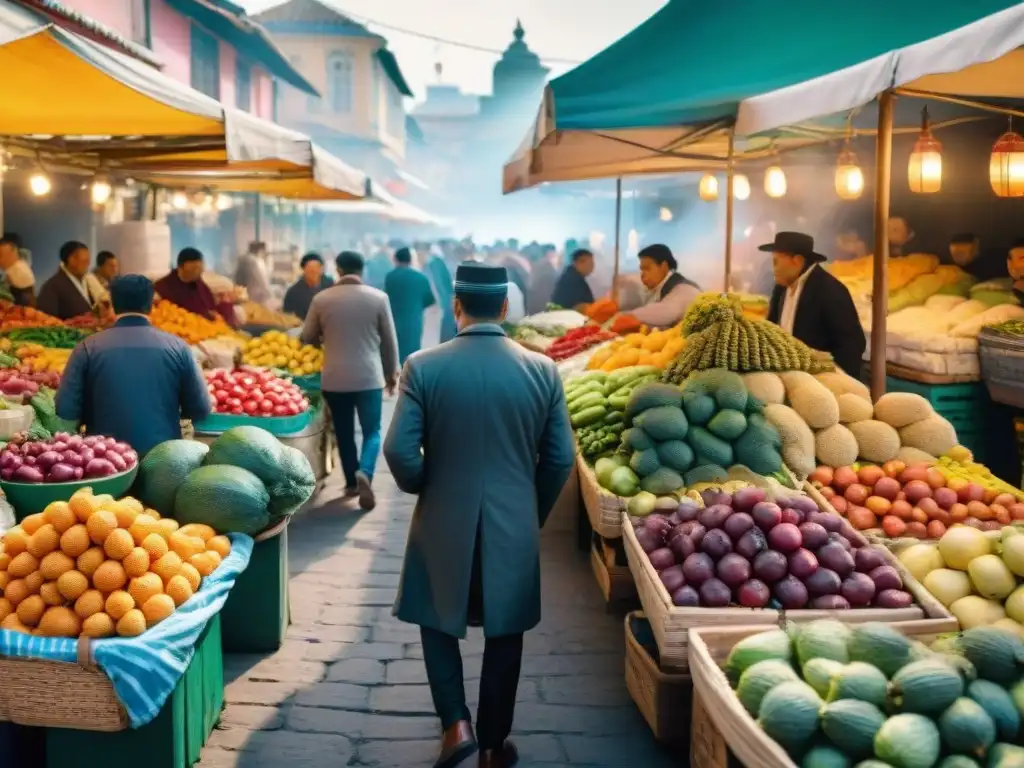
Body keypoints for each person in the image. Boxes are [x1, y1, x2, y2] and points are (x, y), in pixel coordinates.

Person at [384, 261, 575, 768]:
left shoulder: (423, 366)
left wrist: (428, 487)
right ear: (507, 307)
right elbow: (559, 458)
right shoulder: (542, 370)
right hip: (513, 519)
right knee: (505, 627)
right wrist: (530, 509)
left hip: (443, 516)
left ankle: (455, 725)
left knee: (436, 618)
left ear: (456, 306)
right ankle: (492, 744)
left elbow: (400, 452)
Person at [55, 275, 211, 457]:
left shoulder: (87, 348)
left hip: (105, 463)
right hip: (164, 461)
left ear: (112, 304)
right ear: (151, 304)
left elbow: (65, 411)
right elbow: (201, 408)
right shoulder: (179, 348)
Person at [303, 251, 399, 511]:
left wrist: (325, 338)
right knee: (372, 430)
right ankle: (365, 472)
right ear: (362, 269)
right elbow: (389, 341)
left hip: (334, 377)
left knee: (344, 431)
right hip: (369, 377)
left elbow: (306, 336)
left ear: (338, 269)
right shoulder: (379, 298)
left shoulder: (321, 299)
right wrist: (392, 373)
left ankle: (351, 483)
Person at [763, 231, 865, 377]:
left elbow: (852, 345)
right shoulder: (781, 287)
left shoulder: (830, 290)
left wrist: (832, 380)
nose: (774, 269)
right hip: (786, 373)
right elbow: (771, 327)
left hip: (820, 379)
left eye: (776, 261)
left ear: (797, 261)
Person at [626, 244, 701, 327]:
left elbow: (663, 312)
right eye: (641, 269)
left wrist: (621, 317)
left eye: (647, 268)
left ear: (664, 266)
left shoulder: (684, 289)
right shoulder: (662, 289)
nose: (642, 275)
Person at [154, 248, 236, 324]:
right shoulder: (164, 287)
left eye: (201, 268)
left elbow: (211, 309)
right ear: (181, 267)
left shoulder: (199, 284)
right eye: (195, 268)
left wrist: (223, 304)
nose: (200, 272)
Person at [385, 247, 436, 364]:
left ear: (395, 259)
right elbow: (430, 300)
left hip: (393, 320)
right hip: (414, 321)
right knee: (412, 354)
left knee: (394, 353)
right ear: (411, 260)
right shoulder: (421, 277)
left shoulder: (390, 277)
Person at [37, 241, 99, 320]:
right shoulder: (52, 286)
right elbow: (47, 320)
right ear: (71, 260)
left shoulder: (87, 281)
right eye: (84, 261)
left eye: (88, 261)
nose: (88, 264)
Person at [282, 252, 333, 320]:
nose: (314, 271)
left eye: (317, 268)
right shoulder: (293, 293)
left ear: (321, 269)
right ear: (304, 269)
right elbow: (288, 318)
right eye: (310, 269)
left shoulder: (331, 286)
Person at [425, 248, 458, 344]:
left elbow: (438, 284)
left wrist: (440, 301)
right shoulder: (437, 262)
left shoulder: (434, 263)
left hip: (442, 305)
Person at [0, 235, 35, 306]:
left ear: (14, 251)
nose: (1, 260)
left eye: (1, 255)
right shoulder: (17, 268)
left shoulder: (19, 270)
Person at [526, 244, 559, 315]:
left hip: (538, 306)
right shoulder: (546, 268)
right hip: (544, 305)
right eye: (554, 255)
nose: (556, 257)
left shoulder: (538, 266)